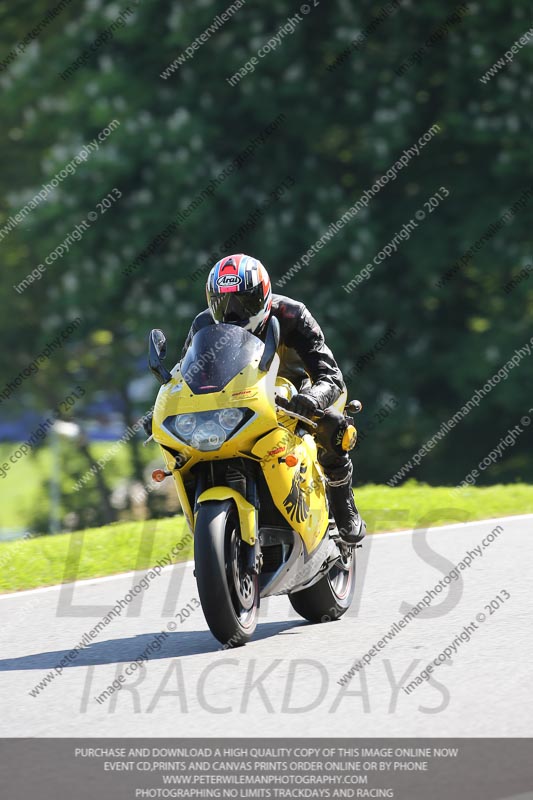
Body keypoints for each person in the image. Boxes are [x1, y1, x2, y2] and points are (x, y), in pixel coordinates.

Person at [180, 253, 366, 545]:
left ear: (264, 295)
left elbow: (330, 375)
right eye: (223, 304)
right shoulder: (203, 325)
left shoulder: (292, 315)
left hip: (299, 391)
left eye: (244, 302)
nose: (233, 313)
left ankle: (344, 506)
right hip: (241, 398)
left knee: (333, 425)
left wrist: (313, 398)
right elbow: (186, 378)